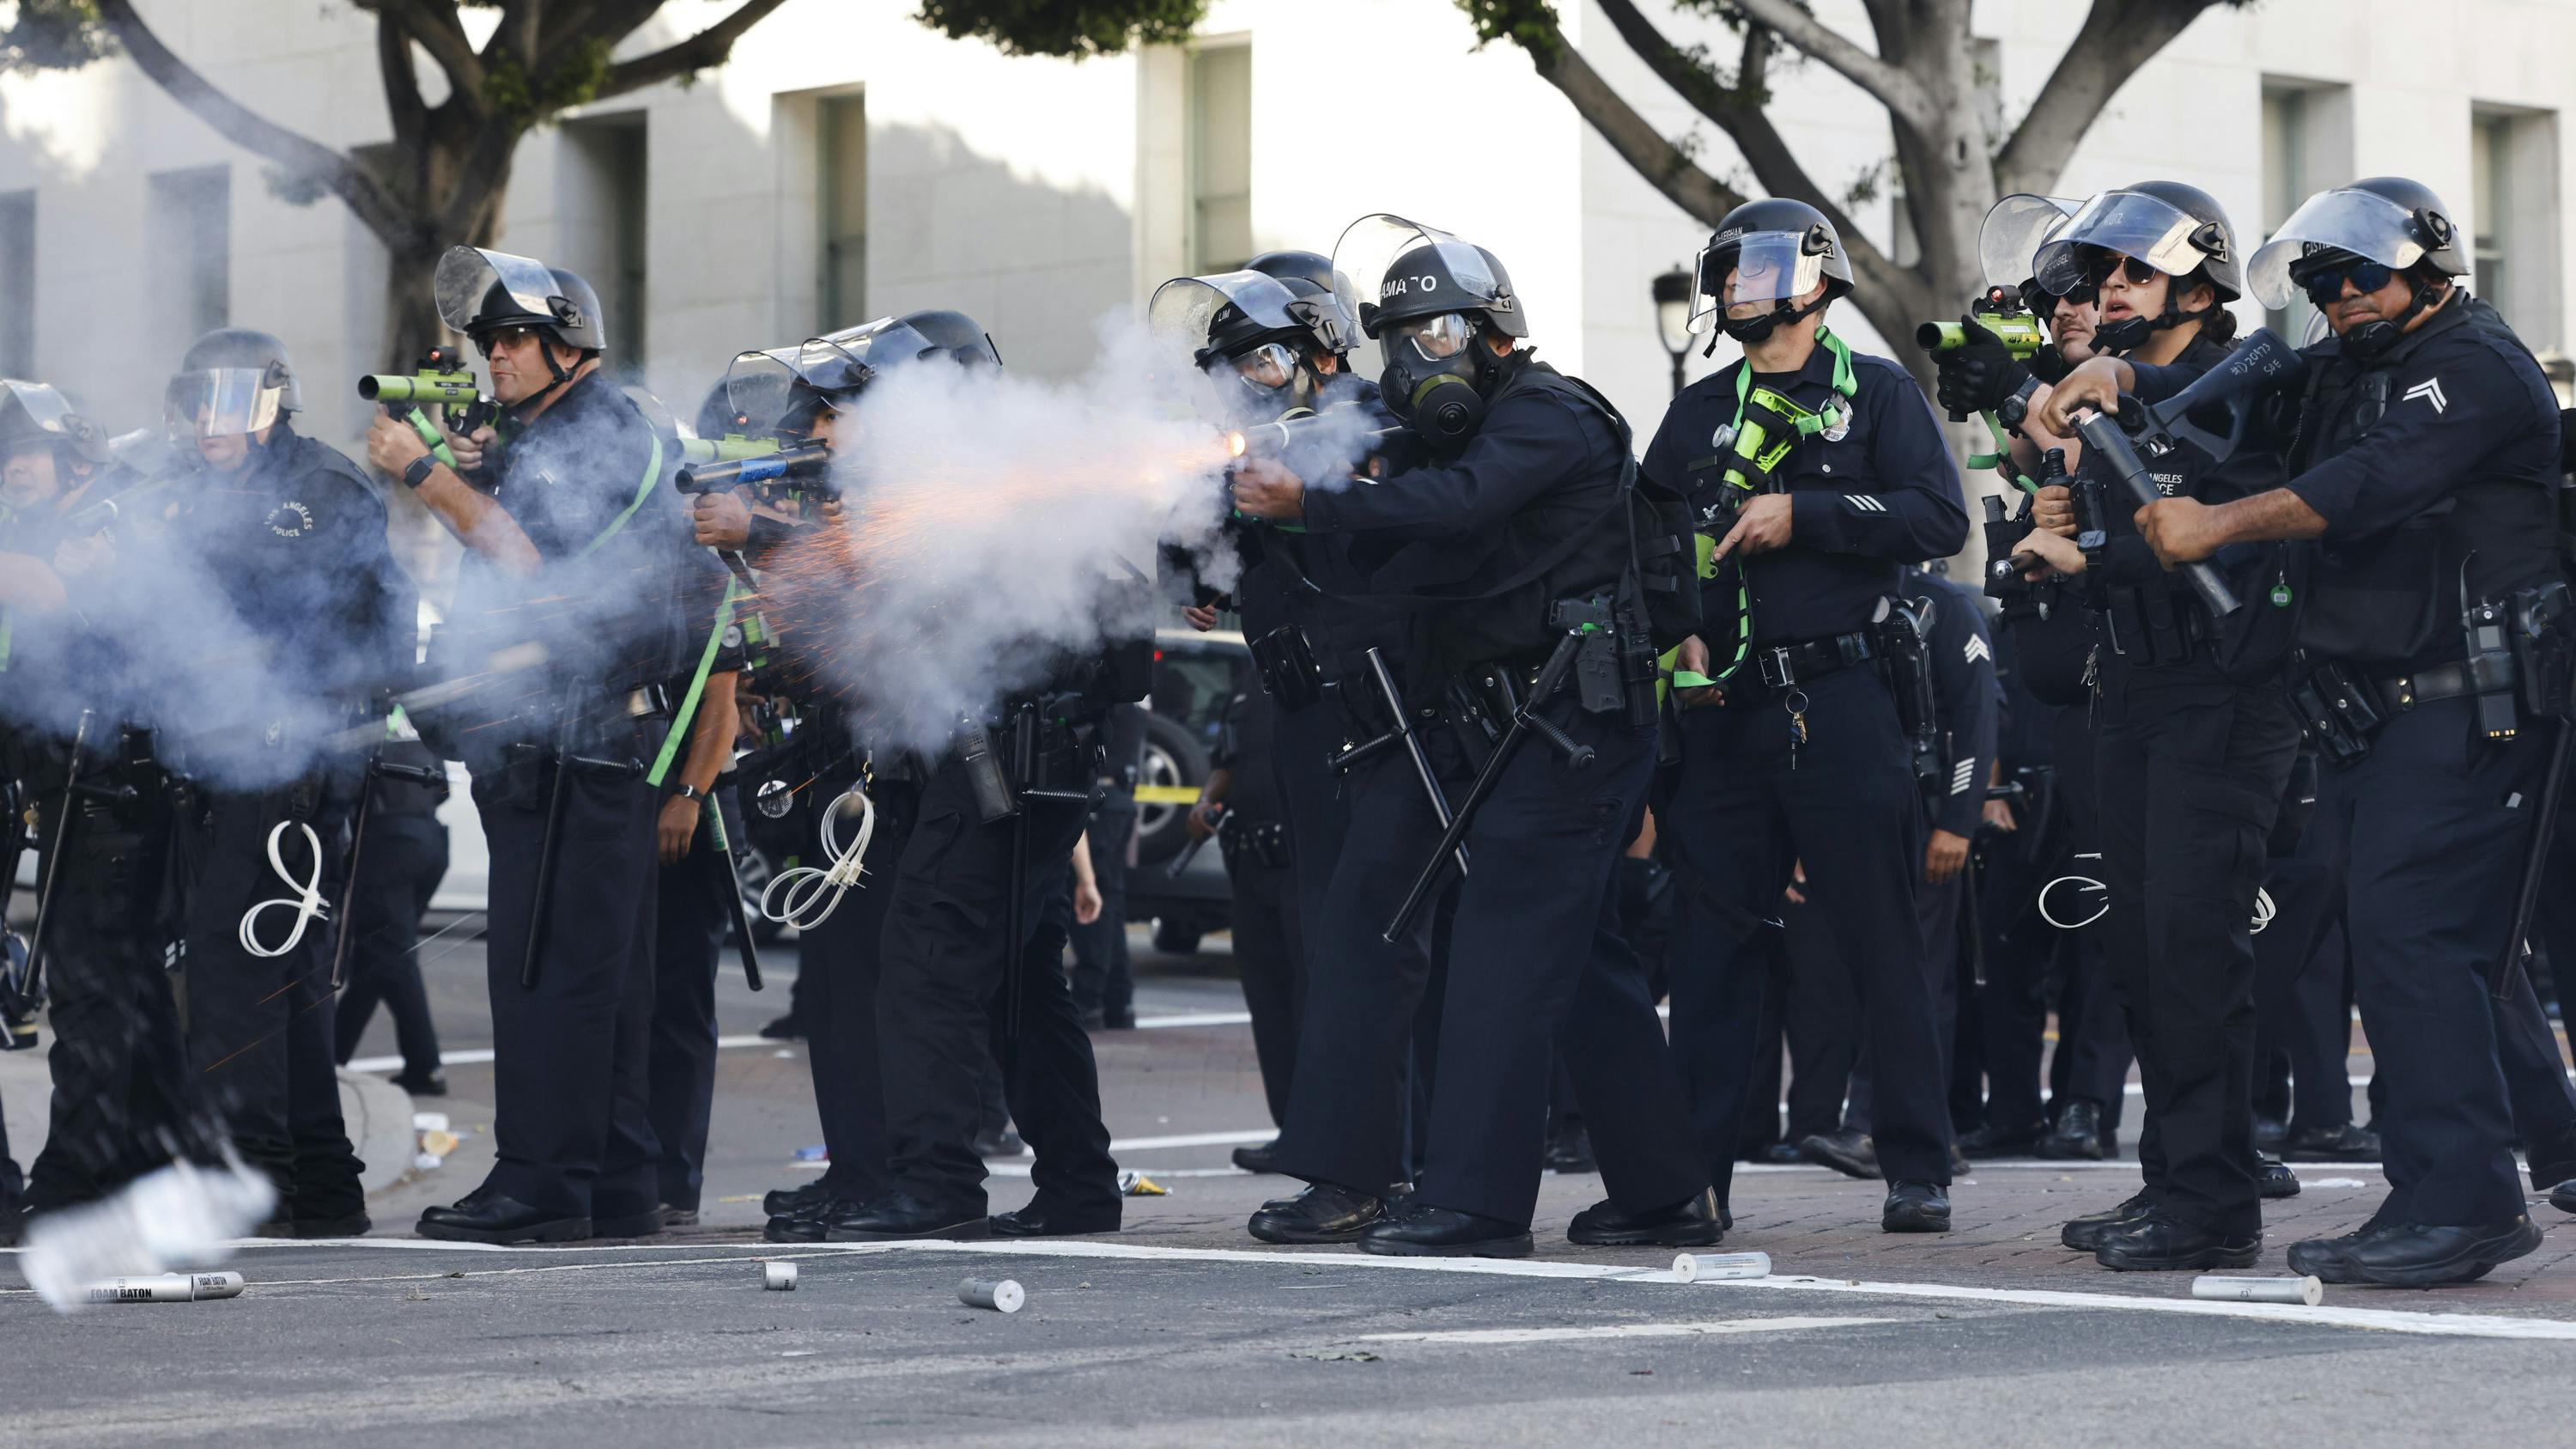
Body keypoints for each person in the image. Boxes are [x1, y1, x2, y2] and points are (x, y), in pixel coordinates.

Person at [2044, 177, 2563, 1283]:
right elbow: (2248, 385)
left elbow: (2366, 483)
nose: (2338, 299)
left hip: (2478, 703)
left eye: (2359, 276)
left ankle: (2463, 1201)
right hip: (2391, 706)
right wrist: (2118, 369)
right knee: (2408, 944)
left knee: (2419, 941)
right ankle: (2441, 1193)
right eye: (2322, 281)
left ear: (2427, 269)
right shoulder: (2346, 360)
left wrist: (2213, 524)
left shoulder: (2473, 365)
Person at [1231, 213, 1717, 1257]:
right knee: (1544, 951)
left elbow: (1461, 506)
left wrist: (1314, 499)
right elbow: (1391, 566)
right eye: (1403, 340)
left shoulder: (1552, 416)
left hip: (1572, 722)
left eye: (1441, 336)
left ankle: (1479, 1201)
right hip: (1478, 721)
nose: (1419, 361)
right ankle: (1658, 1189)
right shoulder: (1432, 434)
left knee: (1503, 946)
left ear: (1498, 332)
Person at [758, 312, 1135, 1243]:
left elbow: (892, 570)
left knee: (927, 967)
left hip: (997, 767)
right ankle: (1079, 1183)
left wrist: (770, 531)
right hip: (999, 767)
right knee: (1018, 987)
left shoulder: (979, 479)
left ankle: (936, 1181)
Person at [1645, 198, 1969, 1234]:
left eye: (1761, 269)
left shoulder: (1874, 395)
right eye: (1729, 272)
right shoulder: (1698, 412)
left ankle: (1918, 1163)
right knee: (1710, 951)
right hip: (1723, 717)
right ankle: (1698, 1178)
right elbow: (1644, 542)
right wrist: (1675, 629)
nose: (1741, 288)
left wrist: (1810, 514)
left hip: (1842, 699)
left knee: (1877, 939)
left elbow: (1938, 515)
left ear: (1815, 279)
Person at [367, 247, 696, 1245]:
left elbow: (528, 557)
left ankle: (543, 1183)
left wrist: (423, 471)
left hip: (576, 744)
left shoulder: (588, 432)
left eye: (512, 338)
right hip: (572, 741)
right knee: (602, 975)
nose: (492, 357)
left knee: (545, 971)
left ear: (566, 341)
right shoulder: (563, 428)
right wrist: (473, 455)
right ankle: (616, 1180)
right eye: (487, 340)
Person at [162, 328, 415, 1238]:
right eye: (196, 403)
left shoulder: (318, 489)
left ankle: (253, 1180)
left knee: (240, 972)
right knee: (285, 980)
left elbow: (341, 628)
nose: (206, 423)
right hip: (227, 760)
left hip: (295, 761)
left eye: (225, 402)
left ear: (272, 403)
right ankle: (321, 1185)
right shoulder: (199, 494)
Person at [1186, 684, 1301, 1160]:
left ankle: (1319, 1136)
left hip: (1299, 865)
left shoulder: (1312, 675)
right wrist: (1203, 801)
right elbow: (1225, 764)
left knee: (1310, 1001)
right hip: (1249, 865)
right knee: (1270, 1005)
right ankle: (1291, 1134)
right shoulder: (1240, 695)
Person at [331, 718, 452, 1097]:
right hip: (429, 838)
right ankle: (331, 1058)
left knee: (393, 957)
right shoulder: (413, 711)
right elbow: (443, 784)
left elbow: (343, 786)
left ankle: (425, 1066)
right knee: (376, 958)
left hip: (388, 842)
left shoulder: (366, 711)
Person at [1068, 702, 1143, 1030]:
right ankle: (1117, 998)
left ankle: (1091, 998)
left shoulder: (1110, 699)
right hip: (1116, 801)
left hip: (1102, 800)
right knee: (1110, 903)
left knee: (1091, 899)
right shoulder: (1132, 702)